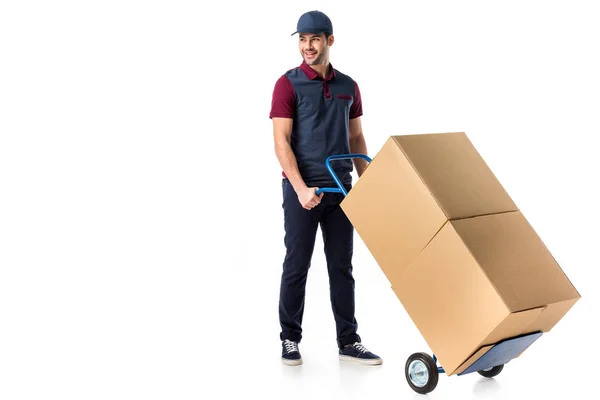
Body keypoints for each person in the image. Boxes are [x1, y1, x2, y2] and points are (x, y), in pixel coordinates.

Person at [269, 10, 382, 367]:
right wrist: (301, 189)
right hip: (302, 190)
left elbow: (357, 135)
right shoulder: (286, 84)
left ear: (329, 41)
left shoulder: (348, 86)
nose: (307, 46)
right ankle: (290, 338)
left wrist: (372, 184)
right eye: (302, 40)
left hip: (341, 191)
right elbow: (281, 142)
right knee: (297, 265)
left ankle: (348, 341)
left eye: (314, 39)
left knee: (341, 267)